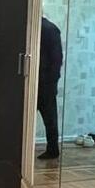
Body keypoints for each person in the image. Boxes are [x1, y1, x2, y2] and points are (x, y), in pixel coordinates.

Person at [37, 14, 63, 161]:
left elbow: (56, 59)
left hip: (43, 81)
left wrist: (51, 81)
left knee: (49, 118)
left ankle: (53, 149)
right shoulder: (50, 28)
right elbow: (57, 59)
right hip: (46, 81)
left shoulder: (46, 28)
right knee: (50, 118)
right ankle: (53, 149)